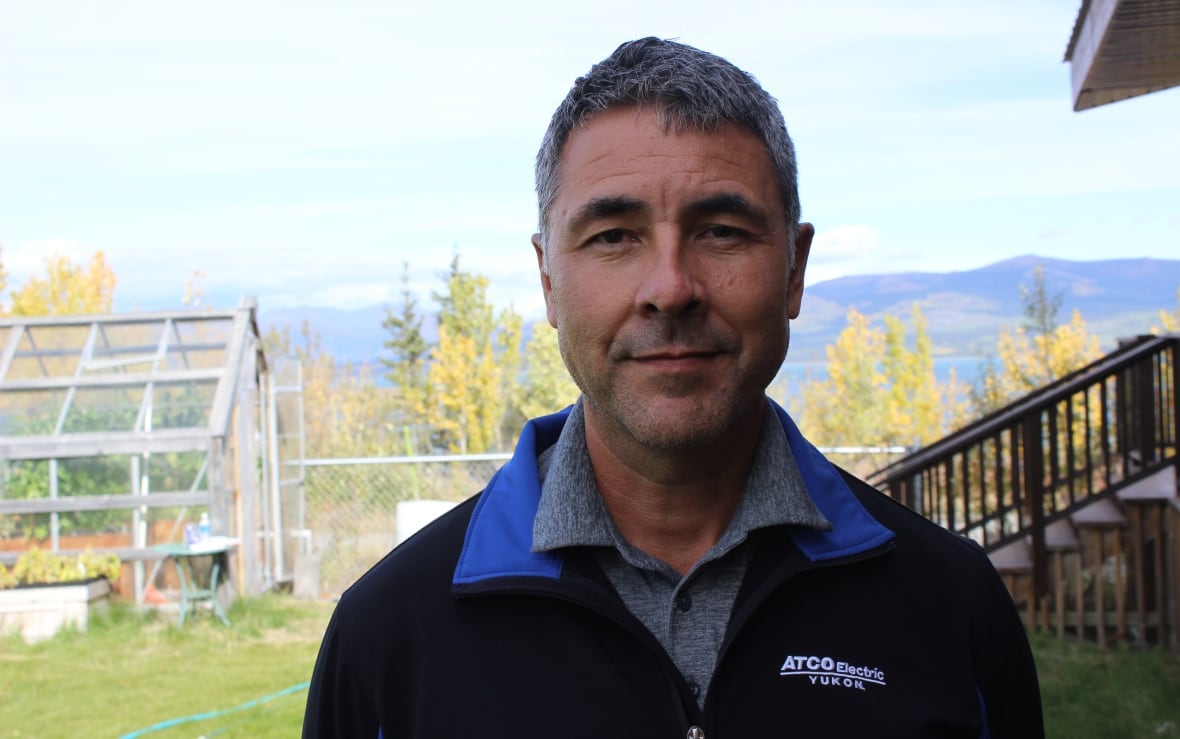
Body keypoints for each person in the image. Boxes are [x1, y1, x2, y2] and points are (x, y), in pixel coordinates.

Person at [303, 37, 1043, 738]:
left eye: (721, 230)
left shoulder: (950, 606)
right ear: (549, 280)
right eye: (614, 236)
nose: (670, 287)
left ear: (794, 268)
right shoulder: (390, 633)